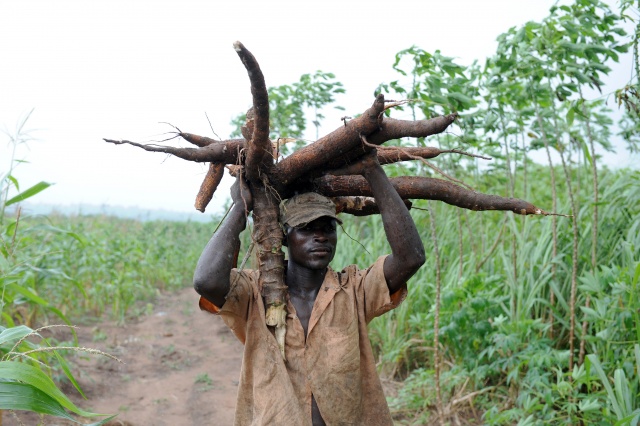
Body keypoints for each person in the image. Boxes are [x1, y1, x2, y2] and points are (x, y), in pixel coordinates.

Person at [193, 151, 425, 426]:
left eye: (327, 228)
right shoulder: (256, 292)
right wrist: (240, 207)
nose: (320, 236)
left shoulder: (354, 290)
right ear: (284, 237)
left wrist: (372, 170)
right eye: (306, 228)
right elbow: (206, 281)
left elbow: (411, 257)